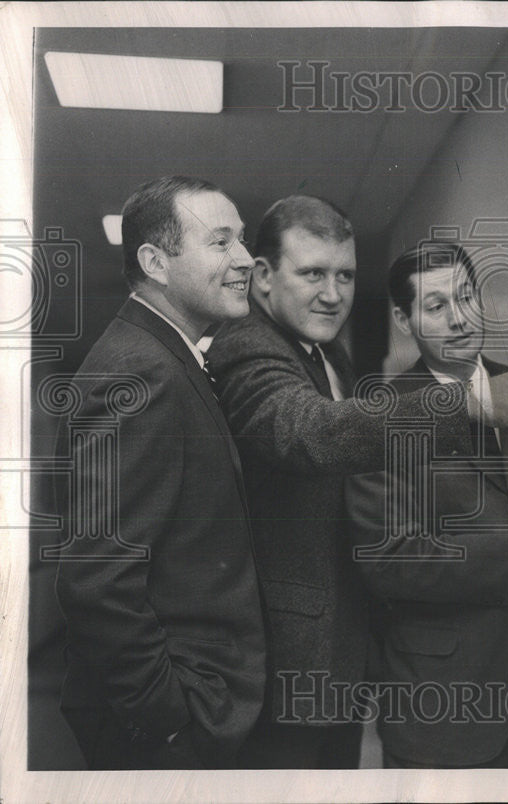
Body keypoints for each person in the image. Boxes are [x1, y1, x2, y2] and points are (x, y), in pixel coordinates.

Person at [207, 197, 508, 768]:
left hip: (348, 668)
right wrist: (469, 402)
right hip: (290, 672)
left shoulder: (333, 362)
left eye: (345, 275)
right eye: (312, 273)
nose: (332, 293)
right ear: (264, 277)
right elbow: (314, 432)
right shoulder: (246, 348)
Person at [345, 241, 508, 769]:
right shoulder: (376, 418)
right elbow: (388, 559)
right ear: (403, 318)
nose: (459, 319)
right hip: (445, 708)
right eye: (437, 306)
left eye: (467, 297)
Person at [54, 176, 263, 769]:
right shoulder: (141, 372)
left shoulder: (163, 355)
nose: (246, 260)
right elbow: (96, 579)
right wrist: (168, 721)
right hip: (164, 729)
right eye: (221, 242)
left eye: (242, 241)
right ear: (155, 262)